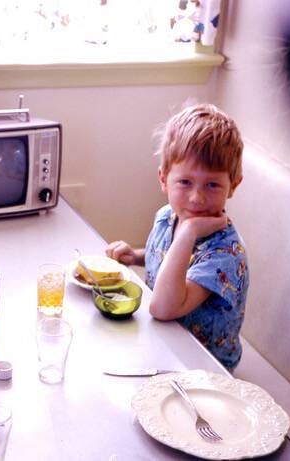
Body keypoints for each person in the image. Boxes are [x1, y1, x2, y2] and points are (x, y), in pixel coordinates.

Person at [106, 104, 249, 371]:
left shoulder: (225, 254)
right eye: (185, 182)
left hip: (203, 368)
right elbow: (167, 260)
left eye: (212, 184)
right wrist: (135, 256)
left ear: (234, 186)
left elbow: (163, 308)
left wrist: (189, 233)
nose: (197, 197)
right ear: (163, 179)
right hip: (162, 340)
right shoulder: (167, 216)